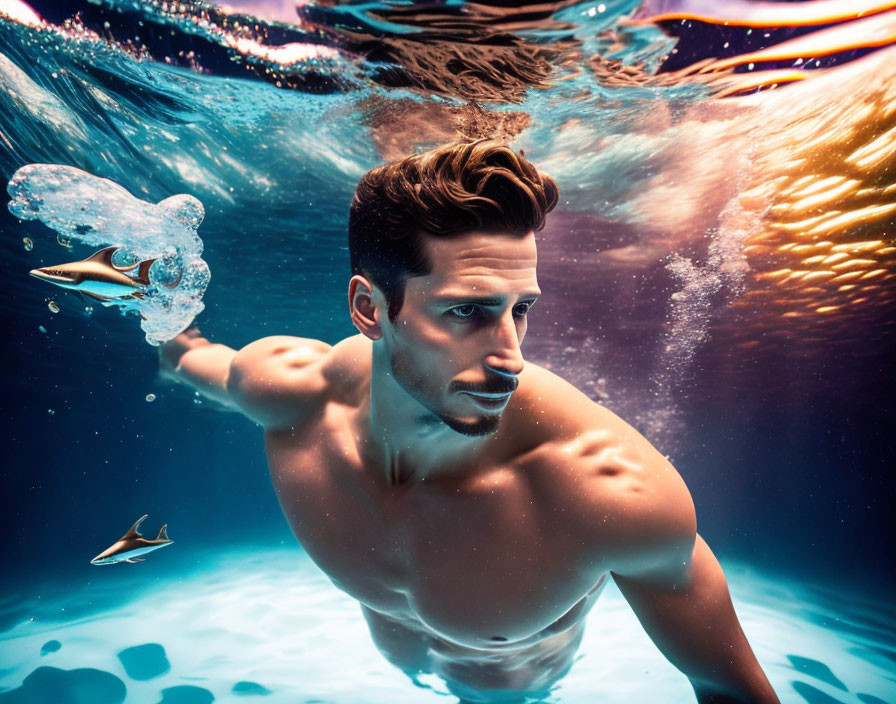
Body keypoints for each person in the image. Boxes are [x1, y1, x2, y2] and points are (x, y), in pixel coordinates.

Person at [158, 139, 779, 704]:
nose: (511, 356)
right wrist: (159, 308)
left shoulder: (609, 492)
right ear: (368, 308)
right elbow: (192, 356)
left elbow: (731, 692)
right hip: (408, 668)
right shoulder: (290, 391)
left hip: (522, 689)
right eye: (465, 310)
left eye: (521, 309)